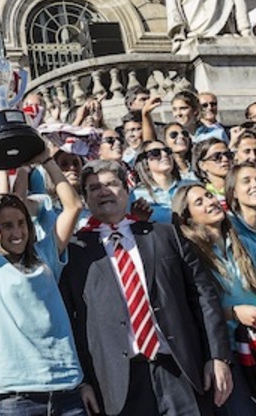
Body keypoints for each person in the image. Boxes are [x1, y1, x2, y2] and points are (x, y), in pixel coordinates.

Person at [61, 159, 232, 416]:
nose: (103, 191)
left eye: (111, 184)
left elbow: (203, 296)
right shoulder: (75, 252)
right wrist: (82, 381)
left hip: (180, 369)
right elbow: (69, 321)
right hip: (119, 383)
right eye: (94, 188)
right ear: (85, 198)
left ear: (127, 189)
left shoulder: (166, 235)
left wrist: (217, 356)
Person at [0, 144, 85, 415]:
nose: (17, 232)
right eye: (6, 226)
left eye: (21, 223)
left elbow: (74, 206)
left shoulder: (46, 255)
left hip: (66, 387)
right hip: (16, 396)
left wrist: (46, 159)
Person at [172, 182, 256, 416]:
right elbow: (193, 308)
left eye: (209, 196)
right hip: (227, 350)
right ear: (187, 218)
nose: (210, 202)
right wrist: (233, 313)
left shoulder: (243, 244)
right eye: (199, 202)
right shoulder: (189, 255)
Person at [131, 140, 184, 224]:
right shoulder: (136, 195)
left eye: (167, 151)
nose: (164, 154)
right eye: (155, 153)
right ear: (145, 162)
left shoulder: (189, 185)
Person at [193, 138, 232, 208]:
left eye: (228, 155)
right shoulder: (202, 194)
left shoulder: (241, 187)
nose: (225, 159)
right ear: (202, 165)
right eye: (217, 156)